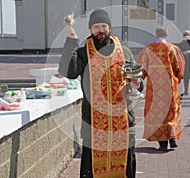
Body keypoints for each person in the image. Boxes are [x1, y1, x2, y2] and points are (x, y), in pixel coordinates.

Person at [58, 9, 140, 178]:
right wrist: (71, 43)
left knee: (126, 167)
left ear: (110, 28)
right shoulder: (83, 53)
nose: (100, 30)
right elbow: (69, 72)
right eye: (96, 26)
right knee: (92, 168)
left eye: (104, 26)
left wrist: (137, 83)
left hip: (124, 122)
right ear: (90, 30)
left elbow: (137, 78)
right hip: (93, 123)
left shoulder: (124, 51)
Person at [136, 26, 184, 151]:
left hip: (154, 87)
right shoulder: (172, 49)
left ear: (156, 35)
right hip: (169, 85)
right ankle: (172, 138)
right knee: (171, 111)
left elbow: (142, 68)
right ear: (166, 35)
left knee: (157, 112)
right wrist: (178, 77)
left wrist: (140, 79)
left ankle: (163, 144)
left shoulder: (148, 49)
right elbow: (178, 67)